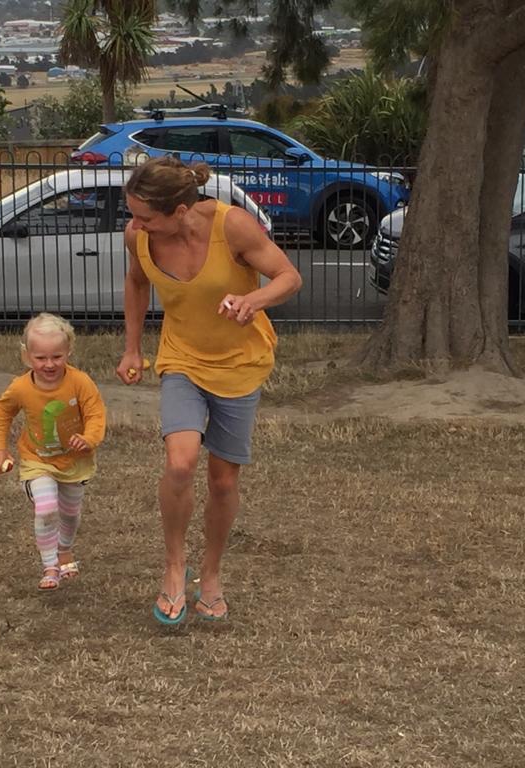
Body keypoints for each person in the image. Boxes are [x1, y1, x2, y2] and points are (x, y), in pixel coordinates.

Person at [116, 156, 302, 625]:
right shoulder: (138, 237)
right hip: (182, 359)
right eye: (132, 213)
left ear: (180, 211)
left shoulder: (231, 226)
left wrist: (252, 300)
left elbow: (288, 277)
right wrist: (133, 348)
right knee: (180, 464)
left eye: (145, 216)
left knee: (223, 481)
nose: (135, 224)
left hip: (240, 365)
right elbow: (136, 283)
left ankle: (212, 576)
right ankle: (174, 567)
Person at [0, 313, 107, 591]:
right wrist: (0, 448)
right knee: (46, 509)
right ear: (27, 356)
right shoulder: (21, 387)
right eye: (41, 358)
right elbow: (2, 411)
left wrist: (89, 438)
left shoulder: (80, 382)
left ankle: (64, 549)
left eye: (57, 356)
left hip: (75, 463)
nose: (49, 364)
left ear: (69, 351)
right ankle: (50, 566)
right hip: (37, 461)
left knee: (70, 513)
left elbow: (96, 414)